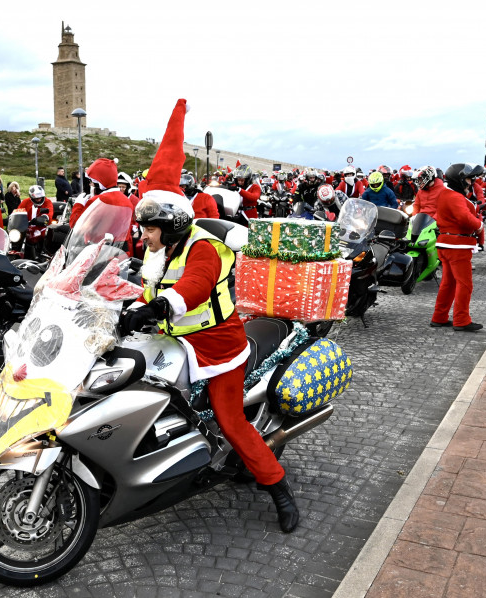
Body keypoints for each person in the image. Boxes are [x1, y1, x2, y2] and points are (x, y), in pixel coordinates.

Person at [121, 98, 299, 533]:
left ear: (171, 222)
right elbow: (144, 287)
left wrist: (158, 307)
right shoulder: (157, 251)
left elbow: (194, 287)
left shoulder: (204, 247)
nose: (143, 235)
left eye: (149, 227)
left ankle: (278, 488)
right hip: (172, 341)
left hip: (216, 344)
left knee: (229, 419)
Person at [423, 164, 482, 332]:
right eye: (469, 179)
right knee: (465, 284)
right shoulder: (455, 196)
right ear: (460, 179)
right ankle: (461, 320)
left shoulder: (445, 194)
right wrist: (479, 225)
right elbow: (464, 218)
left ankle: (439, 317)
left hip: (445, 244)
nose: (470, 183)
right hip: (457, 246)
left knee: (448, 284)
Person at [15, 185, 54, 260]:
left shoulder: (47, 202)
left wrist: (43, 218)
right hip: (26, 228)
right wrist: (12, 218)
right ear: (31, 197)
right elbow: (18, 211)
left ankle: (42, 256)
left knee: (45, 240)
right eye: (36, 198)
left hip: (41, 228)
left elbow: (49, 213)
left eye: (40, 198)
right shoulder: (26, 202)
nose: (39, 200)